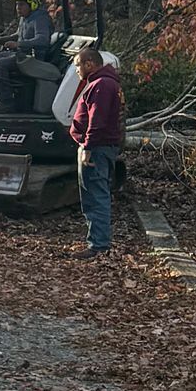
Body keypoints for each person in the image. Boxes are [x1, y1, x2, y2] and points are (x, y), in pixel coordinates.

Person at [68, 41, 124, 255]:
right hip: (99, 146)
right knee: (92, 195)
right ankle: (96, 241)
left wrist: (88, 147)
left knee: (96, 196)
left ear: (90, 64)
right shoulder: (105, 83)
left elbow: (97, 121)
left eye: (78, 65)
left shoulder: (101, 85)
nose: (76, 70)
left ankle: (98, 245)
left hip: (97, 148)